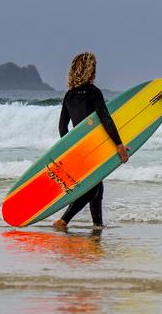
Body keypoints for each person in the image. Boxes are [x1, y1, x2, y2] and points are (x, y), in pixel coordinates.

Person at [53, 52, 129, 231]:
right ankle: (63, 221)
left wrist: (71, 148)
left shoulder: (69, 95)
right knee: (93, 188)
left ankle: (97, 226)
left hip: (79, 149)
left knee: (98, 187)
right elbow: (105, 119)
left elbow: (62, 127)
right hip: (94, 148)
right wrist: (119, 145)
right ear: (90, 70)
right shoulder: (94, 92)